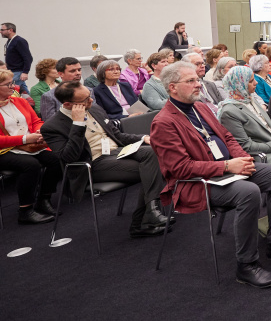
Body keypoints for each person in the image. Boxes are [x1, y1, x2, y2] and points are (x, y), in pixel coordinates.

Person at [149, 62, 271, 287]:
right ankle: (246, 265)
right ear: (172, 88)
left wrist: (243, 159)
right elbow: (180, 168)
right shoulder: (163, 122)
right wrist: (227, 166)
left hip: (227, 169)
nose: (198, 84)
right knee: (248, 192)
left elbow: (227, 138)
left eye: (197, 79)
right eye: (190, 81)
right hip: (198, 182)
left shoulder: (201, 107)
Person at [42, 81, 168, 237]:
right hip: (92, 164)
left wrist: (142, 138)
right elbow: (69, 157)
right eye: (84, 100)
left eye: (90, 96)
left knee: (153, 152)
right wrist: (78, 123)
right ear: (68, 105)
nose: (91, 101)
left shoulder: (94, 108)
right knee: (152, 169)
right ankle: (142, 220)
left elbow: (117, 135)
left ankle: (149, 214)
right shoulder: (51, 126)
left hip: (118, 151)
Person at [0, 68, 63, 224]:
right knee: (30, 165)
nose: (13, 87)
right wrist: (25, 138)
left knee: (56, 158)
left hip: (28, 144)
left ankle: (44, 199)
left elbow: (36, 121)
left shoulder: (19, 101)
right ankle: (25, 210)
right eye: (8, 85)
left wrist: (39, 131)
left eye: (12, 83)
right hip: (5, 150)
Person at [217, 66, 271, 182]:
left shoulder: (251, 100)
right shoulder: (229, 112)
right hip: (262, 155)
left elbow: (268, 128)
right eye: (251, 81)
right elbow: (246, 146)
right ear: (239, 85)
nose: (256, 82)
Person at [40, 57, 89, 122]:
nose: (78, 73)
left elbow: (95, 113)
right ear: (60, 74)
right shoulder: (49, 96)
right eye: (72, 71)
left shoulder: (89, 91)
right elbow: (50, 122)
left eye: (79, 70)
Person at [1, 23, 33, 93]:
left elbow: (28, 57)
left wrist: (25, 72)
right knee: (24, 92)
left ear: (10, 30)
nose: (0, 32)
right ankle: (30, 103)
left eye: (2, 30)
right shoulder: (10, 41)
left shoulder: (19, 41)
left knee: (12, 91)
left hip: (17, 72)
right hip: (13, 71)